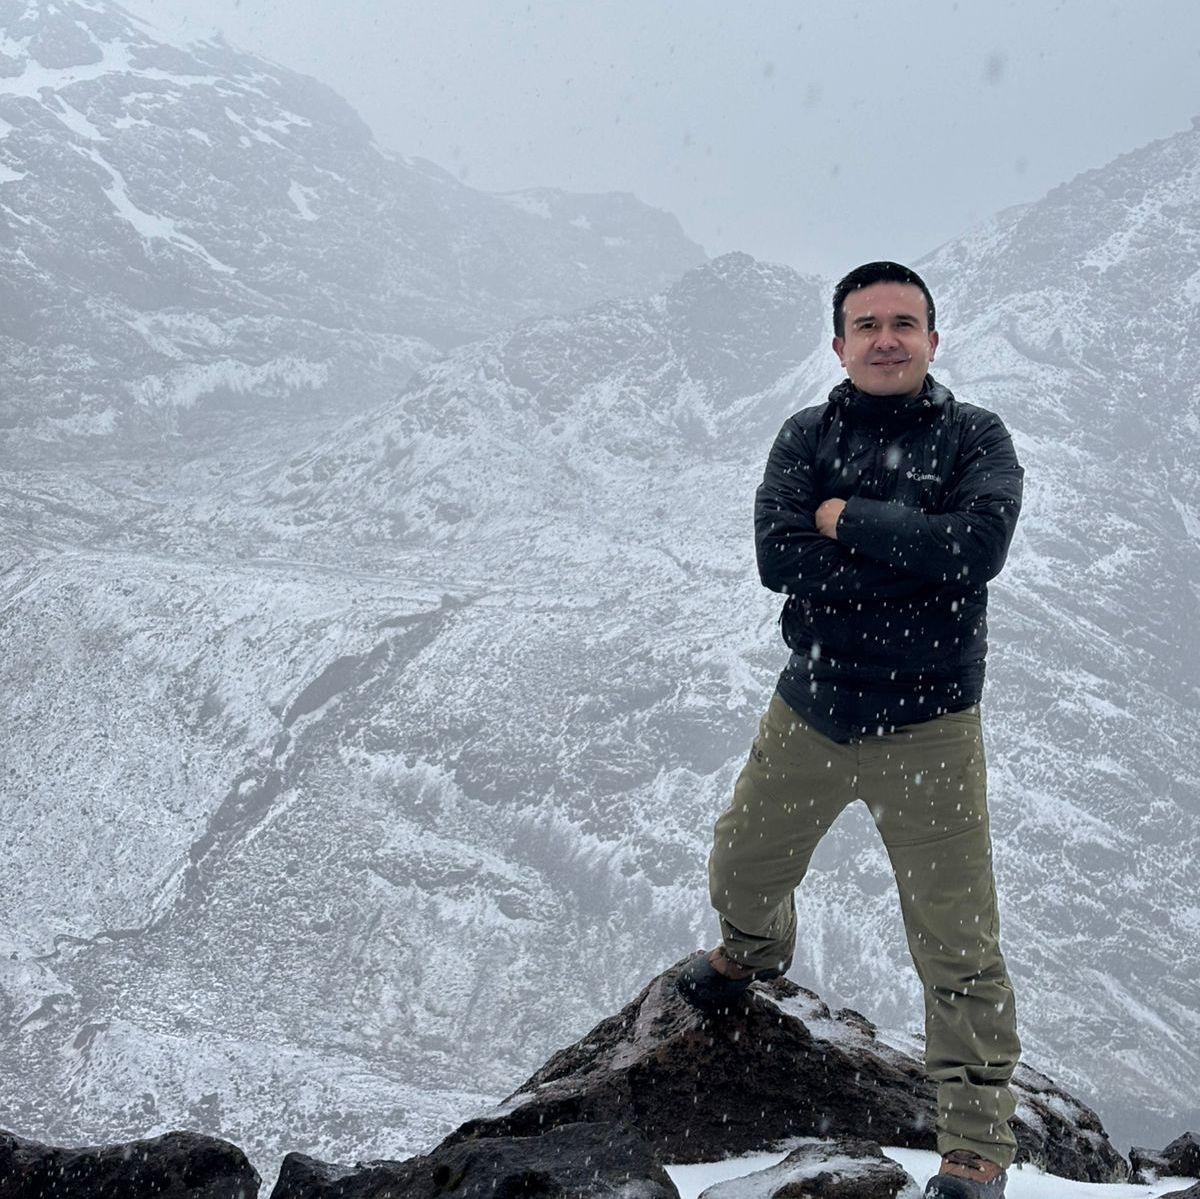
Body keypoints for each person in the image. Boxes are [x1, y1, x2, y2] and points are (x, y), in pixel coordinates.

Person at [675, 261, 1024, 1199]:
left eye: (903, 322)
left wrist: (846, 522)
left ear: (933, 340)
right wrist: (910, 550)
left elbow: (976, 550)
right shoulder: (806, 435)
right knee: (739, 866)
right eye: (865, 323)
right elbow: (777, 557)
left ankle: (976, 1140)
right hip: (815, 706)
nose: (885, 338)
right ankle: (753, 949)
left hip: (930, 726)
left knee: (956, 939)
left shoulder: (974, 437)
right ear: (838, 344)